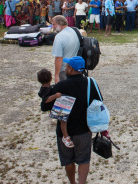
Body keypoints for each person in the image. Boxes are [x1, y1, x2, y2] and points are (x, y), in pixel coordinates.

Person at [40, 56, 103, 184]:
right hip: (84, 129)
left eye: (67, 66)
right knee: (84, 160)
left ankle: (73, 182)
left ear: (70, 69)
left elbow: (44, 106)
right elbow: (99, 101)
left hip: (64, 132)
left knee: (68, 160)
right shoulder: (90, 83)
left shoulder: (61, 85)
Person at [37, 68, 74, 148]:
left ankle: (65, 136)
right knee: (63, 121)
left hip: (52, 107)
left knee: (62, 121)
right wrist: (55, 96)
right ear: (51, 78)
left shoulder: (44, 89)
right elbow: (45, 100)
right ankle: (66, 137)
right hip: (54, 107)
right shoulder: (46, 90)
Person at [51, 15, 81, 83]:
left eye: (54, 24)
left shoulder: (59, 37)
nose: (53, 27)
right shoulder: (76, 31)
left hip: (65, 70)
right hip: (76, 68)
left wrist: (56, 76)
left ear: (60, 24)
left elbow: (58, 58)